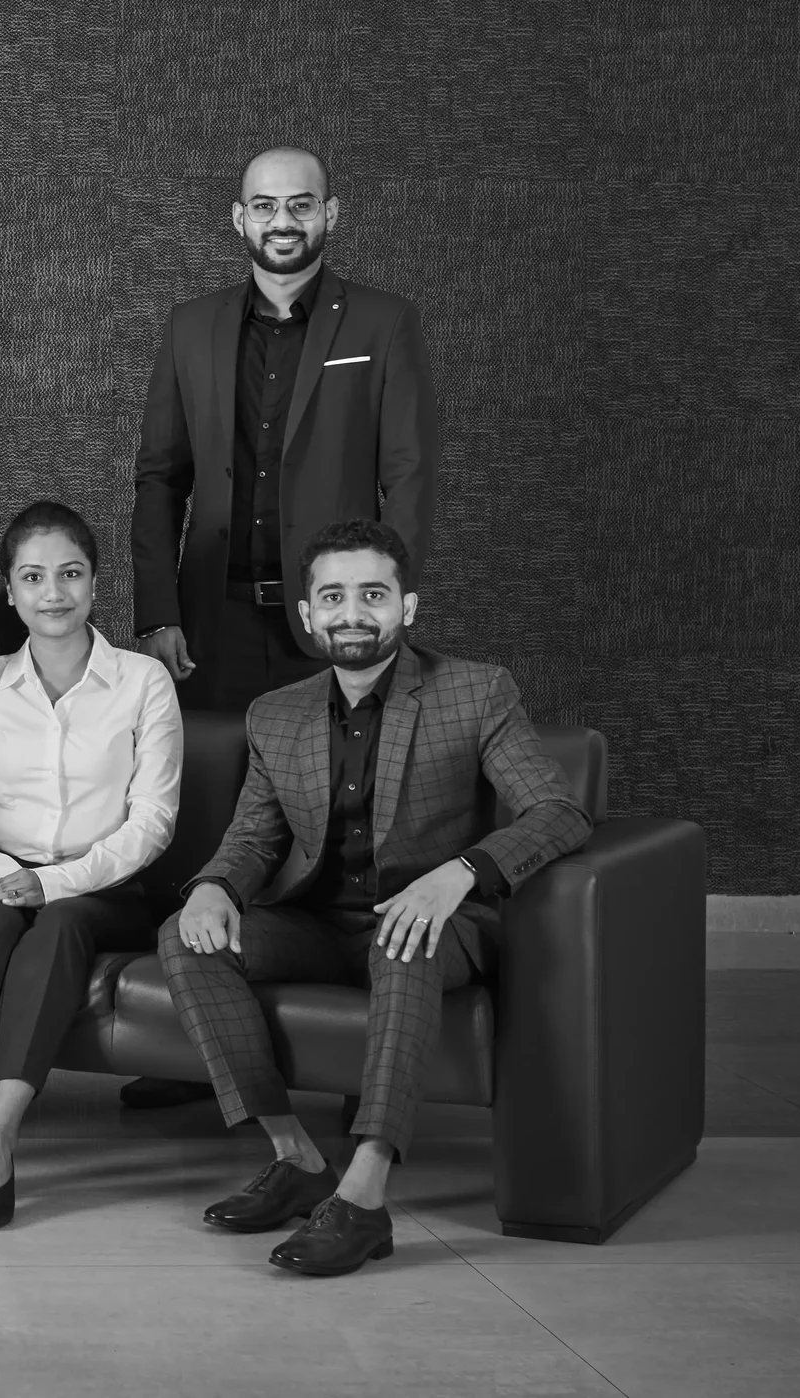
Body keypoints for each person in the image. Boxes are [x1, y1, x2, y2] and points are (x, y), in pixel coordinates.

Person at [158, 519, 589, 1277]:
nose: (352, 612)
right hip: (317, 924)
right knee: (183, 936)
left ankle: (362, 1196)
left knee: (405, 936)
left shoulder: (475, 689)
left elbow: (558, 812)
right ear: (307, 614)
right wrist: (214, 890)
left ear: (407, 607)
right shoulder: (277, 714)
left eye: (372, 594)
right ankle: (294, 1157)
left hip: (439, 922)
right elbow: (254, 841)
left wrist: (462, 872)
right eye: (332, 596)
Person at [124, 144, 439, 1111]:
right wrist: (158, 615)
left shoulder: (382, 322)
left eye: (301, 204)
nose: (283, 220)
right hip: (214, 618)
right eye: (265, 206)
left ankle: (355, 1061)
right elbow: (158, 479)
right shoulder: (192, 326)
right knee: (219, 817)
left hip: (334, 622)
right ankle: (198, 1048)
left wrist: (378, 608)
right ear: (238, 219)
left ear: (331, 213)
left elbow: (410, 478)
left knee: (354, 817)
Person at [0, 501, 181, 1228]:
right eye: (35, 577)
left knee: (58, 924)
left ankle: (0, 1128)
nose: (55, 594)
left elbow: (153, 823)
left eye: (71, 574)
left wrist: (50, 882)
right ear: (10, 592)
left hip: (101, 885)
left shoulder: (143, 682)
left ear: (94, 585)